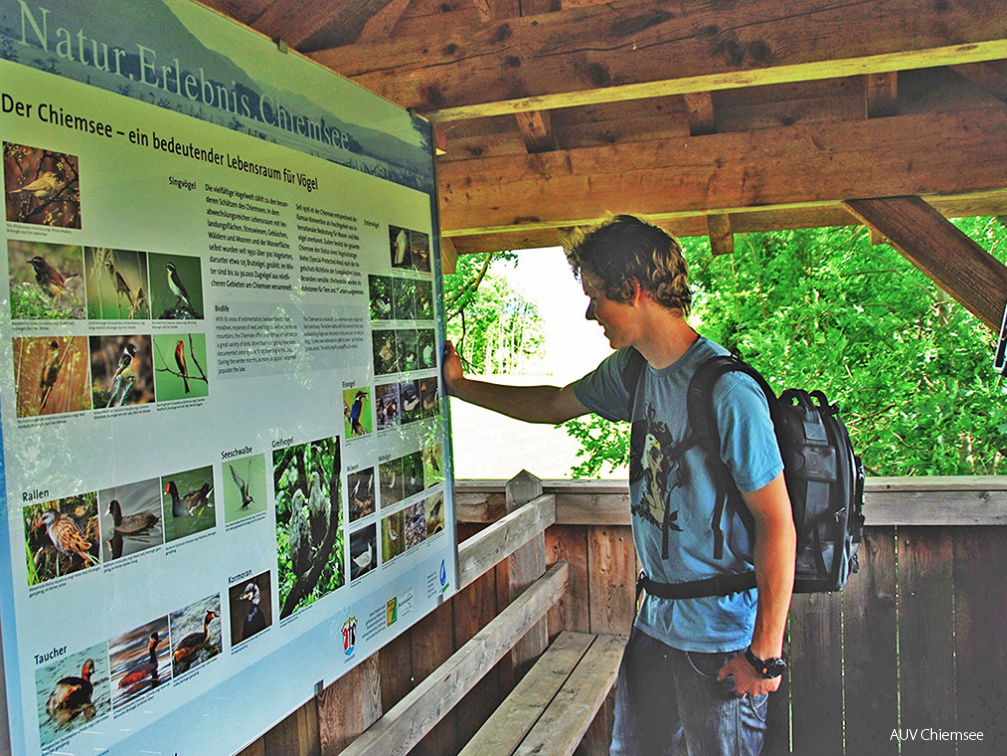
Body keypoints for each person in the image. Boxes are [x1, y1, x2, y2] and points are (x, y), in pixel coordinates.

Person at [443, 214, 796, 755]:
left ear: (631, 291)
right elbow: (553, 404)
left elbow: (777, 522)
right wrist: (460, 388)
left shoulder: (726, 391)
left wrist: (764, 654)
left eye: (594, 298)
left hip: (721, 640)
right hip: (655, 625)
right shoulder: (633, 371)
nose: (590, 315)